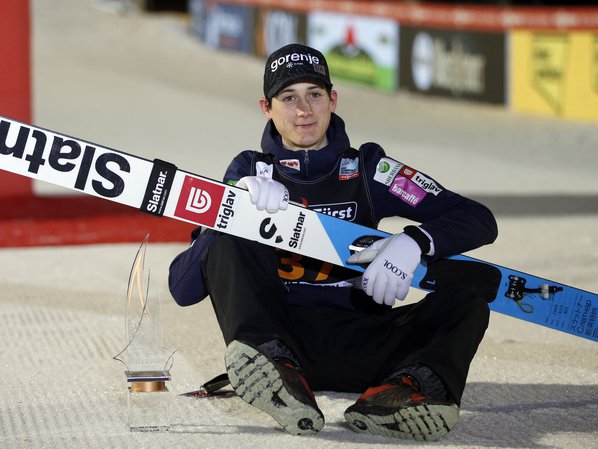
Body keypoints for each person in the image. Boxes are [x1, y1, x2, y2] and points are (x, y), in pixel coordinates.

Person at [168, 43, 498, 441]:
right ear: (266, 108)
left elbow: (478, 219)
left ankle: (398, 394)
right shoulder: (251, 171)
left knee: (472, 292)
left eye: (315, 95)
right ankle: (277, 375)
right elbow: (182, 288)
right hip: (279, 338)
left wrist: (414, 242)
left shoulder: (370, 168)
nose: (303, 110)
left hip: (363, 339)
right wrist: (233, 211)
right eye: (288, 98)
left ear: (333, 100)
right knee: (227, 240)